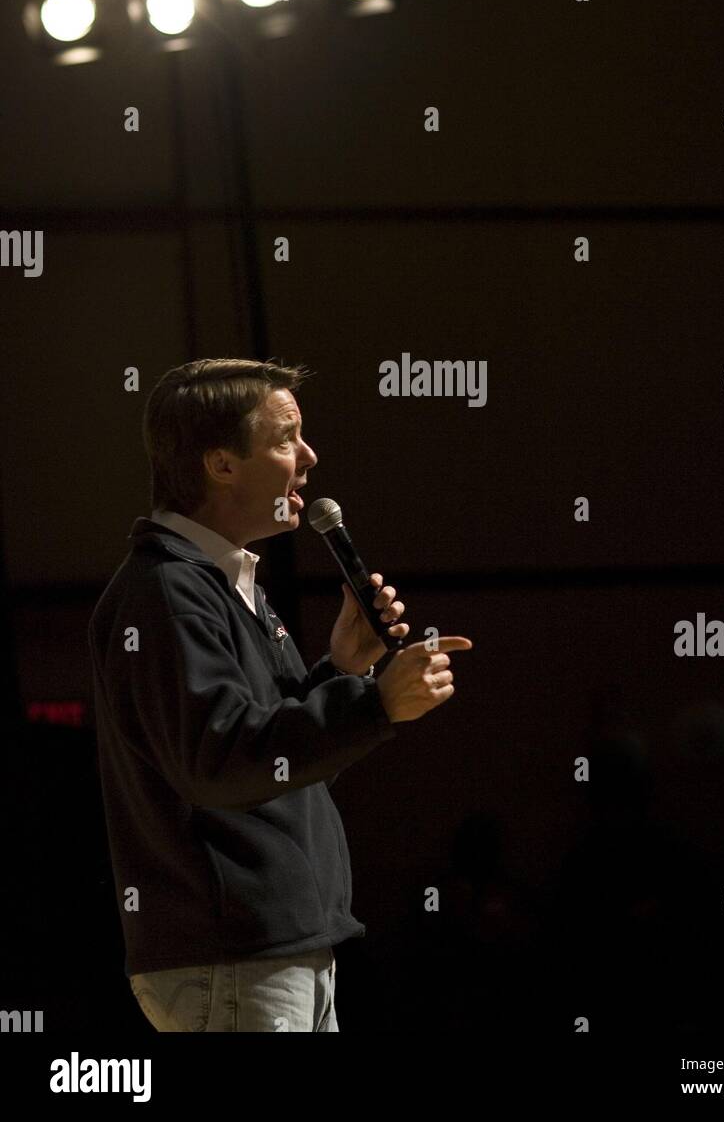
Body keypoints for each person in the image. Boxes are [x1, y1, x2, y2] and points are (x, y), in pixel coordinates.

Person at [88, 357, 472, 1032]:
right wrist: (373, 704)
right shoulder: (167, 592)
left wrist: (343, 670)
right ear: (222, 464)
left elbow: (264, 748)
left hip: (268, 950)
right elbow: (220, 760)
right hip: (233, 952)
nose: (310, 456)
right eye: (286, 436)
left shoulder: (222, 584)